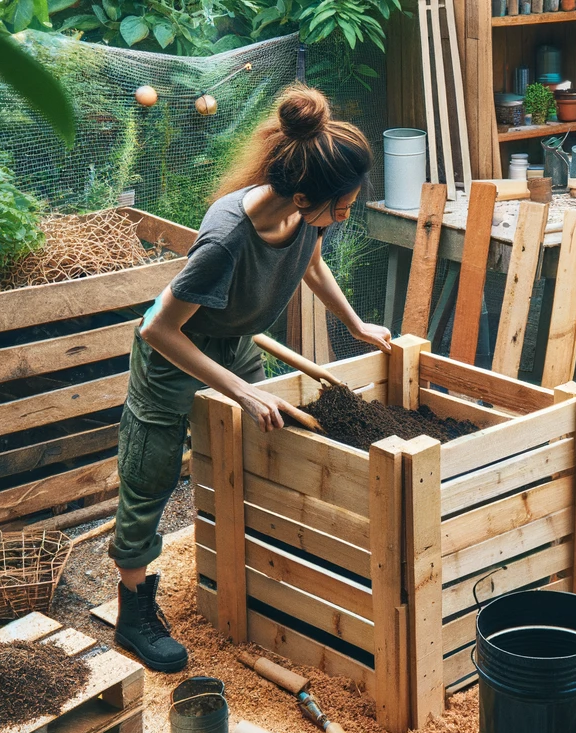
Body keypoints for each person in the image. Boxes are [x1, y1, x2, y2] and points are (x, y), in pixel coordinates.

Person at [109, 85, 393, 671]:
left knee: (259, 447)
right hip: (172, 358)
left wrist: (358, 326)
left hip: (234, 344)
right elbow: (158, 330)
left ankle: (257, 570)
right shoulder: (226, 238)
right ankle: (133, 613)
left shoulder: (304, 216)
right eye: (338, 209)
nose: (341, 219)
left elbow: (312, 264)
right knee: (151, 474)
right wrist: (238, 388)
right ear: (300, 194)